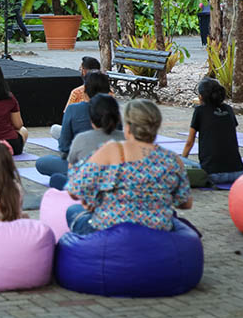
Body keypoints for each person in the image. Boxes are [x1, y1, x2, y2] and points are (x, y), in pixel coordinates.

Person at [65, 99, 192, 235]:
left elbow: (74, 190)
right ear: (157, 125)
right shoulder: (172, 159)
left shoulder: (112, 150)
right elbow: (185, 203)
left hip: (113, 234)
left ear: (127, 127)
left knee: (73, 211)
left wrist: (95, 198)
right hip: (156, 233)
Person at [35, 71, 113, 177]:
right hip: (109, 167)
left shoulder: (75, 110)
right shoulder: (114, 110)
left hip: (82, 166)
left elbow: (64, 147)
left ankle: (72, 181)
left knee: (43, 162)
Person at [47, 94, 124, 190]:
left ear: (91, 120)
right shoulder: (126, 140)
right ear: (118, 117)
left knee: (54, 176)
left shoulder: (81, 138)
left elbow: (71, 169)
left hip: (91, 191)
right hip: (117, 189)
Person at [181, 78, 243, 185]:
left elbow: (189, 143)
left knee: (176, 159)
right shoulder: (228, 109)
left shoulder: (200, 111)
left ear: (201, 97)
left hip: (213, 175)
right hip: (238, 173)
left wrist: (182, 163)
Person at [50, 56, 104, 139]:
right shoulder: (109, 93)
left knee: (54, 129)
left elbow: (66, 121)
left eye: (81, 69)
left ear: (84, 71)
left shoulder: (77, 92)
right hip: (104, 136)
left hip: (79, 136)